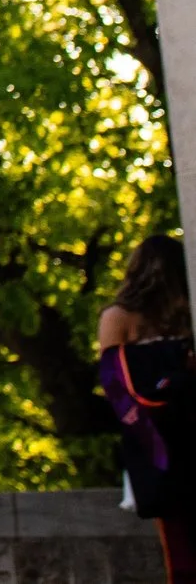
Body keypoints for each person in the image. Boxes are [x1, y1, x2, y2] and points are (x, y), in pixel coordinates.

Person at [97, 233, 196, 576]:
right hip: (165, 434)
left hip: (156, 438)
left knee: (178, 545)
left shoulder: (117, 318)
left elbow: (112, 383)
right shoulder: (175, 317)